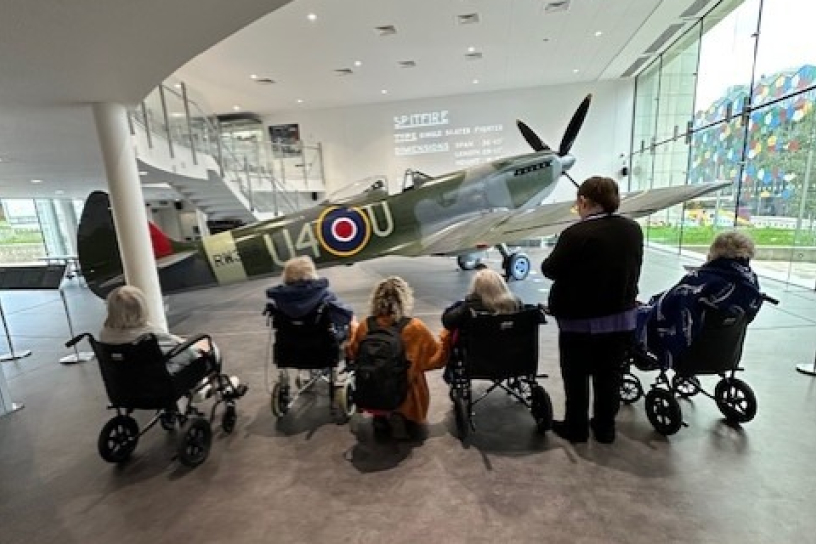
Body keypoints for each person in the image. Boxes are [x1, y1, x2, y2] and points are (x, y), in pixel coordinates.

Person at [541, 176, 643, 444]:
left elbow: (551, 269)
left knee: (576, 376)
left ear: (584, 201)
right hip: (621, 318)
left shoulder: (576, 234)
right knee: (609, 376)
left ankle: (576, 428)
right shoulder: (632, 229)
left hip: (579, 321)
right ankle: (605, 428)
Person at [636, 231, 763, 369]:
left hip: (689, 352)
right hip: (724, 353)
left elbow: (671, 305)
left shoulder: (700, 280)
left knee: (635, 316)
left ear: (716, 250)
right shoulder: (750, 284)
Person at [346, 276, 450, 440]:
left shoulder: (366, 325)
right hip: (406, 389)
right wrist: (447, 338)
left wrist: (353, 330)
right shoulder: (415, 327)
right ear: (404, 299)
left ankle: (380, 419)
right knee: (414, 374)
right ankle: (410, 419)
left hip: (374, 389)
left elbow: (353, 353)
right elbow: (435, 360)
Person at [99, 285, 219, 374]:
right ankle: (202, 390)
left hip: (128, 385)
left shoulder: (105, 335)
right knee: (207, 346)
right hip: (161, 382)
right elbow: (188, 354)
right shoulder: (150, 336)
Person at [441, 268, 522, 382]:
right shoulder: (515, 304)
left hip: (477, 359)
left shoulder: (468, 308)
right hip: (511, 355)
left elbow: (447, 322)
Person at [265, 256, 354, 341]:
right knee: (350, 324)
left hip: (290, 351)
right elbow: (346, 316)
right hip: (324, 349)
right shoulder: (324, 295)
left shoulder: (280, 301)